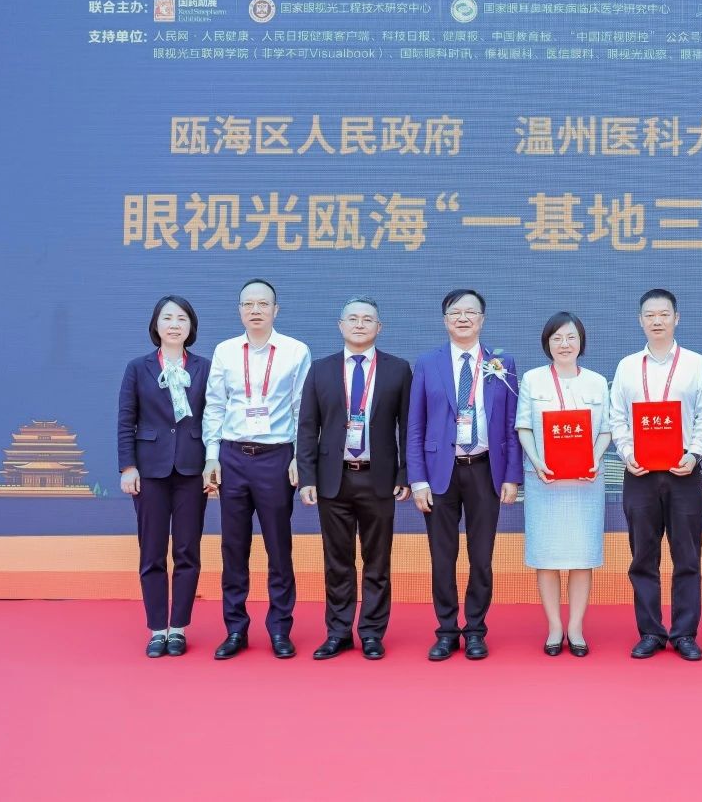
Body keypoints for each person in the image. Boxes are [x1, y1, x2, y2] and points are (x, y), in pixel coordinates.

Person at [407, 289, 522, 661]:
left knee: (481, 556)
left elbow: (511, 424)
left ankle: (475, 630)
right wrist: (418, 479)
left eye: (470, 312)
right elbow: (415, 426)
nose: (463, 318)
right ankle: (445, 631)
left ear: (482, 319)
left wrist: (512, 476)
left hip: (485, 470)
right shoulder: (428, 363)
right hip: (439, 473)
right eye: (455, 312)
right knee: (442, 557)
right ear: (445, 320)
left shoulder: (502, 363)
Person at [297, 297, 412, 661]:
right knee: (337, 561)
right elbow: (307, 427)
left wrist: (405, 472)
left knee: (377, 561)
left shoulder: (398, 370)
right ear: (340, 325)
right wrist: (307, 476)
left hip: (379, 479)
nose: (360, 324)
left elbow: (408, 426)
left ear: (380, 327)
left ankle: (373, 632)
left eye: (367, 319)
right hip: (334, 479)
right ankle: (338, 632)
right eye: (353, 319)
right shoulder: (320, 370)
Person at [202, 279, 311, 660]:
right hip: (232, 457)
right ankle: (235, 629)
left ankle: (280, 628)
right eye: (248, 304)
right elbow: (215, 406)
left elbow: (302, 409)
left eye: (263, 304)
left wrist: (299, 456)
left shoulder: (296, 351)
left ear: (276, 310)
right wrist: (212, 456)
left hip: (276, 457)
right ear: (239, 311)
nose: (255, 310)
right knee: (233, 547)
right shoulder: (225, 351)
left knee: (279, 547)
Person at [610, 289, 702, 661]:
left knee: (687, 557)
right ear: (640, 320)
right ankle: (651, 632)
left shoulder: (695, 364)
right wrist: (627, 454)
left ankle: (685, 633)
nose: (657, 321)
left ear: (677, 318)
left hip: (684, 472)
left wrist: (694, 453)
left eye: (664, 314)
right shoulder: (627, 366)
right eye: (650, 315)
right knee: (643, 556)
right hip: (639, 473)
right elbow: (617, 416)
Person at [117, 295, 211, 658]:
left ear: (191, 327)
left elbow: (214, 418)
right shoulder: (137, 368)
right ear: (156, 325)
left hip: (192, 469)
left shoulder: (205, 368)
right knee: (152, 551)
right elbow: (126, 419)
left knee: (187, 551)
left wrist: (213, 463)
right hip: (150, 470)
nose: (174, 324)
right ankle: (157, 629)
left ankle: (179, 628)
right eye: (168, 318)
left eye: (182, 318)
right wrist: (128, 466)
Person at [515, 312, 610, 657]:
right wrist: (536, 461)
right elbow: (524, 426)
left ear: (581, 342)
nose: (564, 344)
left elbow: (606, 429)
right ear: (547, 344)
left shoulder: (597, 382)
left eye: (571, 337)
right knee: (547, 556)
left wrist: (594, 459)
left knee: (582, 556)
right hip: (545, 480)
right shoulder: (532, 379)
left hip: (586, 481)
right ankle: (555, 626)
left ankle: (576, 627)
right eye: (557, 338)